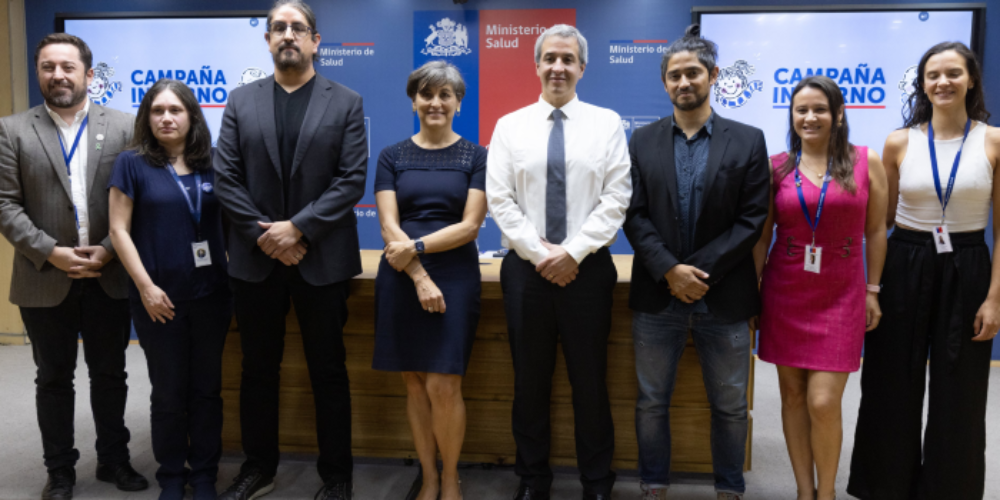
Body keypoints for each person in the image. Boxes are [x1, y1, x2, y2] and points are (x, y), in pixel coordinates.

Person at [212, 0, 368, 498]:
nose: (287, 35)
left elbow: (351, 180)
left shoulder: (345, 100)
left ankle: (337, 476)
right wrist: (269, 237)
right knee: (257, 370)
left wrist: (296, 229)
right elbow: (226, 178)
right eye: (277, 27)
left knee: (328, 370)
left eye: (297, 28)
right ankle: (259, 467)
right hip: (257, 262)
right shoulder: (241, 100)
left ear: (315, 40)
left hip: (321, 259)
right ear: (267, 39)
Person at [622, 25, 769, 500]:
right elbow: (634, 214)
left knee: (729, 406)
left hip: (723, 295)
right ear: (664, 83)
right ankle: (654, 484)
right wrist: (669, 270)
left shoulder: (747, 140)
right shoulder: (640, 141)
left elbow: (752, 219)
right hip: (655, 294)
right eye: (674, 75)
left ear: (713, 75)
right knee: (650, 403)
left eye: (693, 72)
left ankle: (729, 488)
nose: (684, 82)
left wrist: (696, 274)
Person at [848, 41, 1000, 500]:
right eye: (933, 75)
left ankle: (948, 490)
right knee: (889, 381)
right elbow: (882, 221)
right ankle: (885, 487)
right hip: (906, 261)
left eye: (953, 73)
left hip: (969, 264)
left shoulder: (993, 140)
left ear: (971, 79)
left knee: (962, 390)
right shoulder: (900, 141)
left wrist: (994, 298)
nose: (942, 82)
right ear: (922, 84)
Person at [0, 33, 148, 500]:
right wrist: (50, 252)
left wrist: (108, 248)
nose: (57, 75)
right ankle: (60, 470)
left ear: (88, 73)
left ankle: (114, 460)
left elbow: (140, 200)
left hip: (109, 273)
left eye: (67, 66)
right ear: (39, 73)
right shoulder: (12, 130)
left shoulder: (127, 127)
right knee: (53, 378)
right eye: (47, 67)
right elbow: (5, 205)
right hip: (45, 276)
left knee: (110, 373)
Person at [486, 24, 631, 500]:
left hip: (587, 269)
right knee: (529, 383)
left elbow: (616, 198)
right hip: (526, 272)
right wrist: (541, 253)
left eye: (568, 59)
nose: (558, 67)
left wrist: (571, 252)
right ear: (536, 65)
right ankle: (532, 481)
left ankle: (596, 482)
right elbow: (500, 200)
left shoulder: (607, 123)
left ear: (582, 68)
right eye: (549, 58)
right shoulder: (510, 125)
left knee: (590, 382)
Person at [752, 75, 888, 500]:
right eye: (801, 110)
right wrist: (752, 294)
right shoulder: (776, 167)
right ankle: (804, 491)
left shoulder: (868, 162)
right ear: (791, 116)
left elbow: (877, 231)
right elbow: (761, 237)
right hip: (785, 290)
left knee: (823, 402)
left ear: (838, 114)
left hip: (842, 293)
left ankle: (826, 494)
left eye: (820, 109)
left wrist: (873, 290)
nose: (810, 117)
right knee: (792, 398)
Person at [108, 78, 231, 500]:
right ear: (147, 117)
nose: (166, 117)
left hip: (213, 296)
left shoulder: (214, 162)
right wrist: (145, 287)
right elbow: (119, 230)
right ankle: (173, 477)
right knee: (168, 392)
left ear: (192, 116)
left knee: (206, 391)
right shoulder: (132, 163)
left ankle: (204, 475)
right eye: (157, 110)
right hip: (159, 300)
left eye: (175, 110)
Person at [372, 61, 487, 500]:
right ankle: (430, 476)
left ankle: (452, 477)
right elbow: (388, 225)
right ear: (413, 100)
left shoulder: (476, 156)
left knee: (444, 382)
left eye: (445, 95)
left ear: (459, 102)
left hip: (454, 272)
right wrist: (418, 274)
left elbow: (470, 226)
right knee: (414, 381)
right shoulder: (392, 155)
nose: (435, 102)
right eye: (426, 94)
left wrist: (418, 251)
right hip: (401, 272)